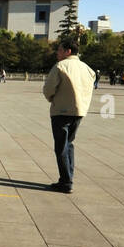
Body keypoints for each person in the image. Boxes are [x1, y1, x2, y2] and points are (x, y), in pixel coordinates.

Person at [42, 38, 96, 193]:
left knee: (61, 147)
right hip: (79, 111)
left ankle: (66, 181)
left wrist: (52, 99)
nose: (57, 53)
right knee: (69, 144)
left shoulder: (60, 66)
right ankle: (68, 177)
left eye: (59, 50)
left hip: (61, 111)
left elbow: (48, 89)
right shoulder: (87, 68)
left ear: (68, 51)